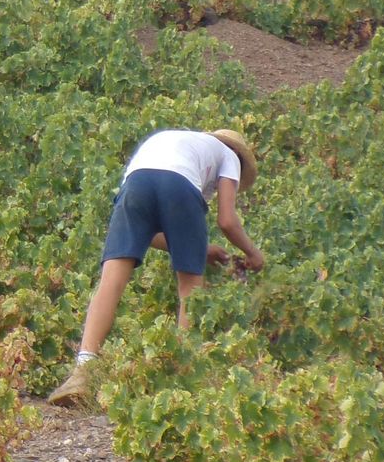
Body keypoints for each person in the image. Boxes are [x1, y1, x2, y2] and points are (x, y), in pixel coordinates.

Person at [47, 129, 263, 406]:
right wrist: (253, 253)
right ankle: (181, 376)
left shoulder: (178, 142)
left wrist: (201, 249)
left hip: (136, 183)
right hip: (180, 187)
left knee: (111, 282)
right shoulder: (229, 156)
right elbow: (227, 221)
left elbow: (147, 233)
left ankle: (82, 372)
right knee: (190, 287)